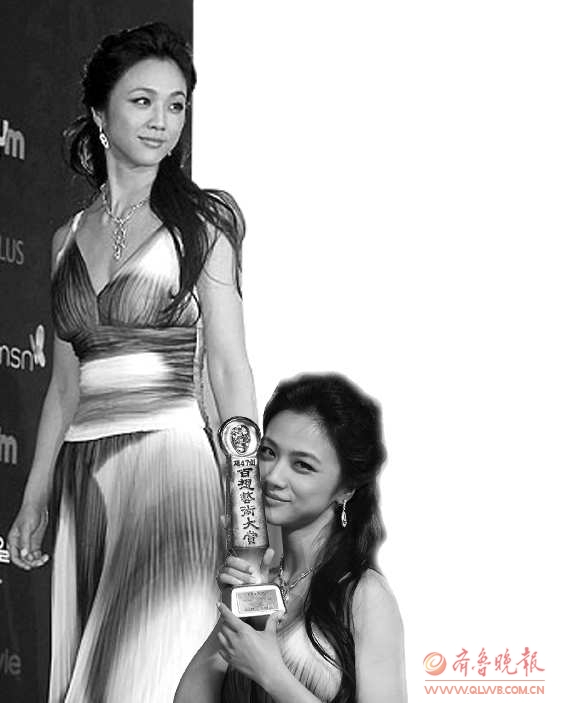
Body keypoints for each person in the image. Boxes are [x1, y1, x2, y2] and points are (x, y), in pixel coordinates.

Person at [6, 22, 256, 703]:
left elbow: (230, 372)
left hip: (173, 474)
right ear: (99, 112)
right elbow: (65, 387)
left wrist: (248, 519)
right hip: (85, 483)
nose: (162, 121)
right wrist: (34, 496)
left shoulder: (206, 221)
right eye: (143, 101)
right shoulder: (64, 241)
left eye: (176, 105)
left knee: (147, 675)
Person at [175, 373, 407, 703]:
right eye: (268, 452)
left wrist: (271, 674)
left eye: (302, 465)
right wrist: (235, 609)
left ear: (346, 488)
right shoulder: (267, 579)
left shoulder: (365, 596)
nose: (273, 476)